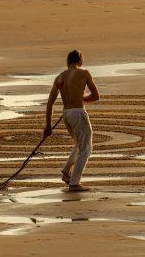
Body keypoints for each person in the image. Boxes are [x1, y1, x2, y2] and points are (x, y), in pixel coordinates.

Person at [44, 49, 99, 191]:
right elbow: (96, 96)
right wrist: (82, 99)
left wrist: (48, 126)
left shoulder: (60, 77)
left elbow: (50, 103)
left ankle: (67, 171)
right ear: (80, 61)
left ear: (68, 61)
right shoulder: (84, 73)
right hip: (78, 113)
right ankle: (74, 183)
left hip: (66, 114)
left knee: (79, 144)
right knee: (86, 149)